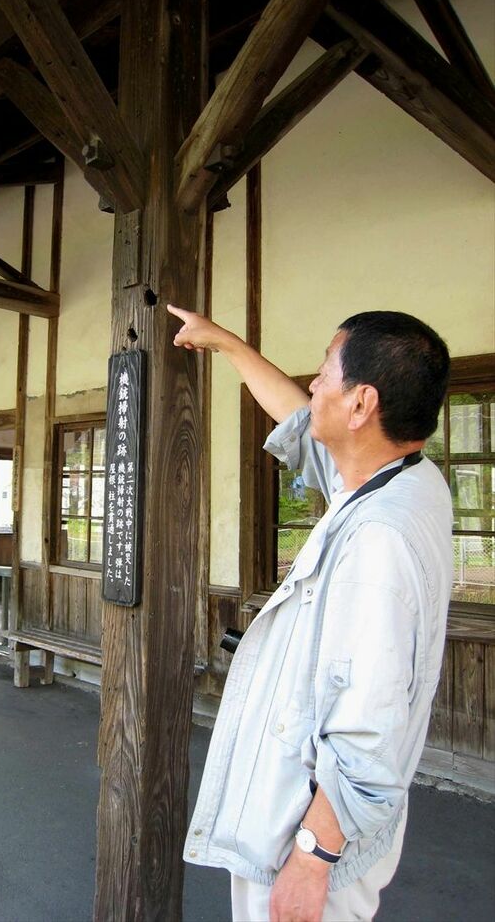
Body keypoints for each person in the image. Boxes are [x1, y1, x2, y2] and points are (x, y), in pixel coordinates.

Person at [167, 304, 452, 922]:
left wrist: (311, 858)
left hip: (310, 832)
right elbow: (299, 418)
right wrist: (226, 345)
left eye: (326, 369)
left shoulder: (378, 543)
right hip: (312, 818)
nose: (314, 382)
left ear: (361, 405)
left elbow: (367, 728)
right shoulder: (403, 476)